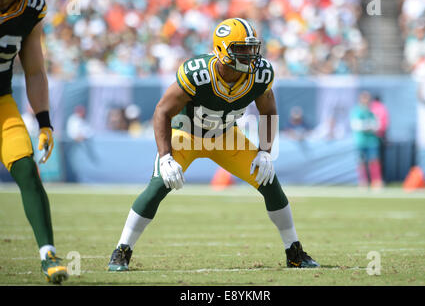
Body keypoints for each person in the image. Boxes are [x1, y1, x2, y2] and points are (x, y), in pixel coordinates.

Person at [107, 18, 320, 271]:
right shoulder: (198, 73)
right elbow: (162, 111)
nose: (250, 55)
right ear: (221, 50)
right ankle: (122, 250)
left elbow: (269, 111)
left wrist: (265, 151)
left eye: (252, 48)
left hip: (226, 137)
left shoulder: (260, 74)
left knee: (270, 184)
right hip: (187, 136)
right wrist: (165, 157)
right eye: (241, 48)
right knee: (158, 186)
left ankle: (294, 251)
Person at [0, 0, 68, 283]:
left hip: (1, 102)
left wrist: (44, 122)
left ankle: (48, 254)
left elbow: (35, 70)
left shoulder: (32, 8)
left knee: (26, 168)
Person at [350, 92, 383, 188]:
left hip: (372, 142)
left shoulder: (372, 111)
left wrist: (369, 126)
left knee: (374, 161)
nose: (366, 101)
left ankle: (376, 181)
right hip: (360, 141)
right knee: (361, 162)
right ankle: (363, 182)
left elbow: (377, 125)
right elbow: (356, 126)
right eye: (364, 99)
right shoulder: (356, 111)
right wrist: (368, 126)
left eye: (368, 99)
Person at [370, 96, 390, 182]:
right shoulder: (383, 108)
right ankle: (380, 179)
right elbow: (385, 124)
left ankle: (373, 180)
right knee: (381, 159)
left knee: (373, 160)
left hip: (373, 137)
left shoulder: (372, 108)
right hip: (382, 135)